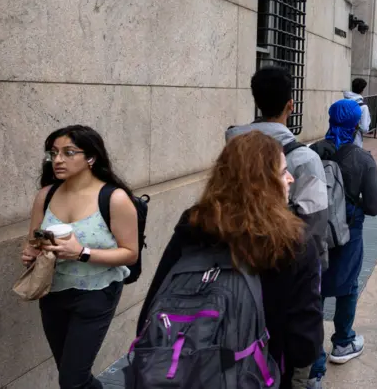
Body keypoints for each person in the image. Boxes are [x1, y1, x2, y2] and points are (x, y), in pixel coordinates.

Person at [138, 131, 323, 388]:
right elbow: (305, 347)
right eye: (282, 172)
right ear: (263, 183)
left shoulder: (193, 224)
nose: (290, 178)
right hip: (260, 376)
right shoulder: (295, 244)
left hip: (182, 371)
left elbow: (153, 305)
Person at [225, 67, 328, 387]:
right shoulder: (305, 159)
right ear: (290, 105)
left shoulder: (233, 144)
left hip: (235, 263)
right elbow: (313, 224)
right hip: (283, 273)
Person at [21, 125, 138, 389]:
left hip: (96, 293)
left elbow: (130, 254)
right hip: (52, 292)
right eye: (53, 153)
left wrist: (81, 253)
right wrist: (31, 254)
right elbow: (33, 242)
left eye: (68, 152)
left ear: (91, 158)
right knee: (71, 376)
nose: (58, 160)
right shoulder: (46, 195)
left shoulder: (114, 198)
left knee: (72, 380)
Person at [308, 100, 377, 385]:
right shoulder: (363, 160)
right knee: (348, 285)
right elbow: (374, 207)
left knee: (314, 290)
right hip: (349, 232)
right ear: (356, 124)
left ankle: (314, 362)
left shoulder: (312, 152)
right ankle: (343, 342)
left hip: (315, 231)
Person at [343, 78, 371, 147]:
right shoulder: (363, 107)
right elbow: (364, 128)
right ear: (362, 90)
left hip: (342, 138)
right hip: (355, 140)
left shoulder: (343, 101)